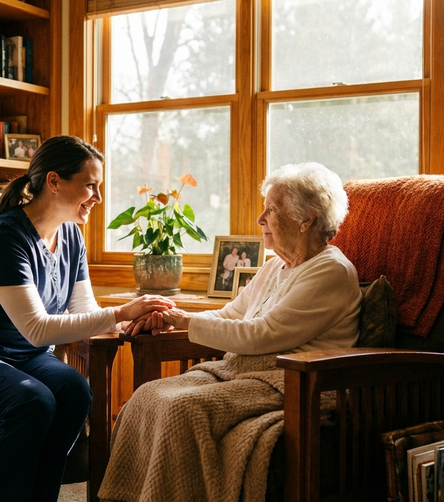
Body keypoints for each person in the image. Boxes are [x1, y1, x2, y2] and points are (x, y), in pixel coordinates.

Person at [0, 135, 174, 501]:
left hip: (26, 357)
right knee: (33, 400)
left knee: (75, 390)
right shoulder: (4, 236)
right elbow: (37, 328)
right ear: (54, 181)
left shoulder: (71, 236)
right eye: (90, 186)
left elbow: (86, 312)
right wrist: (121, 311)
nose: (98, 197)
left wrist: (133, 321)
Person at [100, 162, 362, 502]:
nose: (260, 219)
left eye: (272, 210)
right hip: (244, 371)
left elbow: (261, 334)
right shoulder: (275, 266)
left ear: (306, 219)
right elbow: (230, 315)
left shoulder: (331, 271)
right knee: (146, 396)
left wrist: (184, 320)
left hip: (293, 381)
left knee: (182, 409)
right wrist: (170, 318)